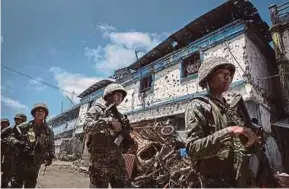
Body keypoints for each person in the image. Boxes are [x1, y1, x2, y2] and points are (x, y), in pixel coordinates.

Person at [184, 56, 260, 187]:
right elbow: (192, 149)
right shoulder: (198, 106)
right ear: (208, 78)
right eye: (221, 73)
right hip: (213, 182)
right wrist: (230, 131)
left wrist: (251, 139)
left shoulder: (228, 108)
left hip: (236, 177)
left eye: (229, 74)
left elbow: (239, 146)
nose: (227, 77)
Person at [84, 83, 134, 188]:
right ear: (109, 95)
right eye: (118, 94)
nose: (121, 97)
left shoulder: (120, 116)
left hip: (118, 163)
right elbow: (87, 127)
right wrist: (108, 122)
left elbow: (122, 140)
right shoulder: (97, 109)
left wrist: (125, 132)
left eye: (122, 96)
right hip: (100, 163)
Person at [11, 103, 55, 188]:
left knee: (31, 184)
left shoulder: (48, 131)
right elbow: (10, 136)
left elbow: (51, 144)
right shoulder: (24, 126)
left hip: (35, 162)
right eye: (38, 110)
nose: (40, 112)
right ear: (34, 113)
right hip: (21, 159)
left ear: (45, 114)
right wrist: (17, 143)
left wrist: (51, 156)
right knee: (16, 183)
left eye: (43, 111)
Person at [1, 118, 12, 188]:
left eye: (5, 123)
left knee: (7, 171)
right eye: (2, 123)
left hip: (8, 155)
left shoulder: (11, 132)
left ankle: (4, 185)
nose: (3, 124)